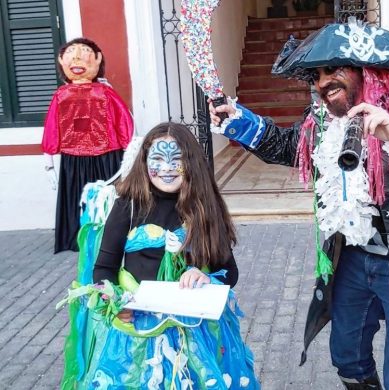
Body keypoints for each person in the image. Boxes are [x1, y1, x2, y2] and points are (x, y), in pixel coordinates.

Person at [209, 19, 389, 390]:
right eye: (317, 75)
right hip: (352, 256)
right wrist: (239, 121)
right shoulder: (323, 118)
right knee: (347, 357)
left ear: (365, 69)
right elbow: (291, 148)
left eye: (334, 69)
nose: (322, 83)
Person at [58, 123, 259, 389]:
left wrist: (206, 276)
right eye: (157, 159)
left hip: (197, 332)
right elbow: (104, 268)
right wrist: (116, 302)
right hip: (139, 333)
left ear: (192, 164)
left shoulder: (204, 208)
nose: (166, 168)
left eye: (176, 160)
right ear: (144, 162)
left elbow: (230, 273)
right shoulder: (127, 206)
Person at [41, 38, 134, 253]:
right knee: (78, 199)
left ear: (97, 58)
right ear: (61, 60)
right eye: (71, 53)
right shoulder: (60, 96)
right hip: (74, 157)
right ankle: (79, 237)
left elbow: (124, 122)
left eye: (84, 52)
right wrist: (48, 162)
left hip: (107, 155)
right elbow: (52, 127)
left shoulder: (106, 93)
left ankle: (110, 235)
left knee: (109, 197)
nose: (76, 57)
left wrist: (129, 154)